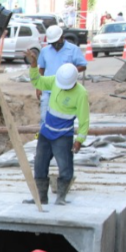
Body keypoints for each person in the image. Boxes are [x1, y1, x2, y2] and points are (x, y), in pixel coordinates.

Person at [24, 49, 89, 206]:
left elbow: (84, 119)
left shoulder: (81, 93)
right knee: (40, 163)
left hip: (63, 136)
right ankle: (41, 197)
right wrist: (33, 64)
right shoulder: (55, 80)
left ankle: (61, 197)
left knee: (65, 166)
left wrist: (80, 139)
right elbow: (37, 81)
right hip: (45, 133)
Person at [35, 26, 87, 125]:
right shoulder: (45, 51)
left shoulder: (73, 49)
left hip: (65, 90)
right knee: (44, 118)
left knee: (62, 118)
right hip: (48, 90)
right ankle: (42, 138)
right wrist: (38, 87)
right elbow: (41, 69)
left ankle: (59, 138)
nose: (55, 45)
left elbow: (83, 66)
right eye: (53, 43)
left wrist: (69, 72)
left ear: (62, 37)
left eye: (57, 42)